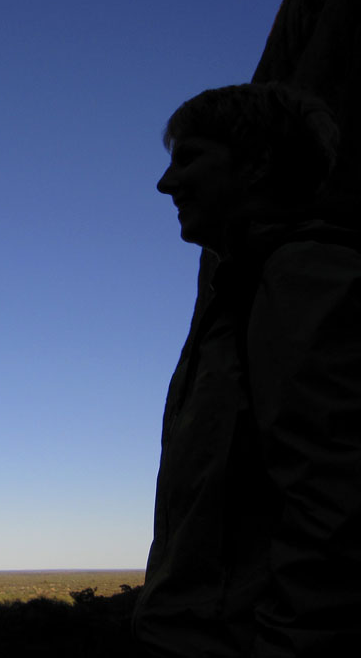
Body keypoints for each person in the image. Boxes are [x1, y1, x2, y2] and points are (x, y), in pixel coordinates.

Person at [132, 83, 361, 657]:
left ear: (256, 164)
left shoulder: (303, 276)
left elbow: (335, 500)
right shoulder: (236, 291)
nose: (167, 182)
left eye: (190, 157)